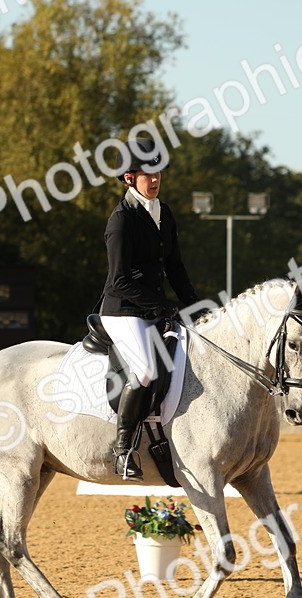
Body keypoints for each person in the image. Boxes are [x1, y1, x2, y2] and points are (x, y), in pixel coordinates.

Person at [99, 138, 200, 481]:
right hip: (123, 310)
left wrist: (195, 306)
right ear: (129, 177)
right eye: (147, 174)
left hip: (153, 310)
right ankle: (123, 448)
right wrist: (165, 306)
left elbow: (175, 267)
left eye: (158, 173)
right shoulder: (121, 221)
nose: (155, 179)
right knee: (143, 370)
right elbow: (119, 281)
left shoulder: (164, 213)